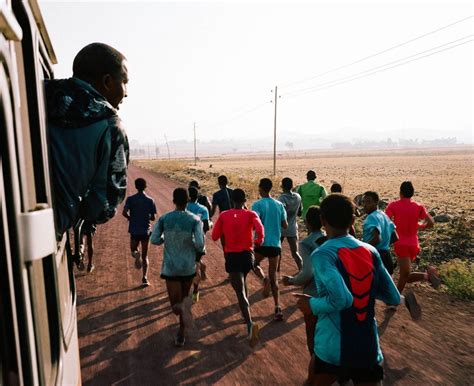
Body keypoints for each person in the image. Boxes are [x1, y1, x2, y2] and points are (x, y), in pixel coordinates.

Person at [294, 194, 401, 386]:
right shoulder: (370, 251)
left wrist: (311, 304)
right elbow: (393, 296)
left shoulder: (323, 254)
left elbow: (342, 299)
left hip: (333, 347)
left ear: (322, 220)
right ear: (353, 220)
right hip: (367, 346)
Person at [46, 42, 129, 239]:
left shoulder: (37, 91)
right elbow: (103, 206)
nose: (126, 92)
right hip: (48, 231)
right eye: (125, 82)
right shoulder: (110, 125)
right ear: (107, 81)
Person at [150, 188, 205, 347]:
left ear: (173, 200)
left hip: (171, 267)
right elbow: (200, 245)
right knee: (183, 299)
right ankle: (181, 331)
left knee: (175, 306)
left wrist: (165, 239)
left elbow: (154, 240)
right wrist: (191, 244)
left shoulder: (164, 219)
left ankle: (181, 328)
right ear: (187, 200)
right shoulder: (195, 220)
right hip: (188, 267)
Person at [211, 188, 264, 347]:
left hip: (232, 256)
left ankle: (250, 324)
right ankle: (245, 314)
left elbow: (214, 236)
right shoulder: (251, 214)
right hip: (248, 255)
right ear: (244, 199)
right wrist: (258, 241)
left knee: (239, 291)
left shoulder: (224, 215)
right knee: (243, 281)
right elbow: (260, 229)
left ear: (232, 200)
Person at [385, 181, 438, 318]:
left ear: (400, 192)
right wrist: (419, 226)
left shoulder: (393, 205)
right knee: (405, 275)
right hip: (414, 244)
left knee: (404, 275)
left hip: (401, 243)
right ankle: (427, 276)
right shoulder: (418, 206)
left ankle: (394, 301)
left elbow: (386, 221)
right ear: (412, 193)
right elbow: (431, 222)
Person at [282, 206, 326, 356]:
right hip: (331, 292)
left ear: (306, 222)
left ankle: (315, 369)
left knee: (312, 333)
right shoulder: (330, 238)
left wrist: (292, 280)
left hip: (313, 293)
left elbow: (307, 272)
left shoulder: (306, 243)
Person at [252, 178, 288, 321]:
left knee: (253, 264)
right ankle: (277, 307)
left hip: (261, 243)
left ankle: (263, 279)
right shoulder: (279, 205)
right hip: (275, 244)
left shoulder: (257, 204)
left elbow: (255, 225)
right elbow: (285, 225)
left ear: (261, 188)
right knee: (274, 277)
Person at [122, 178, 157, 286]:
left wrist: (130, 218)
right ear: (145, 186)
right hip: (145, 230)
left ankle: (136, 254)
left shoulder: (130, 199)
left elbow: (124, 212)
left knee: (133, 249)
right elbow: (153, 218)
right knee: (145, 256)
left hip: (134, 229)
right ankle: (145, 278)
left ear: (136, 186)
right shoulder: (150, 200)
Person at [362, 191, 396, 275]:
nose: (365, 205)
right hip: (387, 256)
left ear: (376, 202)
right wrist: (385, 245)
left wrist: (363, 249)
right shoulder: (383, 215)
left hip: (376, 257)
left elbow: (377, 239)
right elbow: (395, 237)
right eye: (364, 202)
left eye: (368, 202)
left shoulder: (371, 217)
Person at [187, 186, 210, 302]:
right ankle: (202, 266)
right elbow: (206, 226)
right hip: (199, 241)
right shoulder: (203, 209)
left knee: (191, 267)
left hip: (185, 241)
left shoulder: (183, 208)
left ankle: (195, 290)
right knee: (195, 264)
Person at [278, 177, 303, 271]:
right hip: (292, 227)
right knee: (295, 252)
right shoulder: (298, 197)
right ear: (292, 186)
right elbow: (300, 212)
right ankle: (302, 270)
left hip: (281, 227)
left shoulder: (282, 198)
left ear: (282, 186)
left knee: (278, 251)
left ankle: (277, 270)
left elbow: (281, 213)